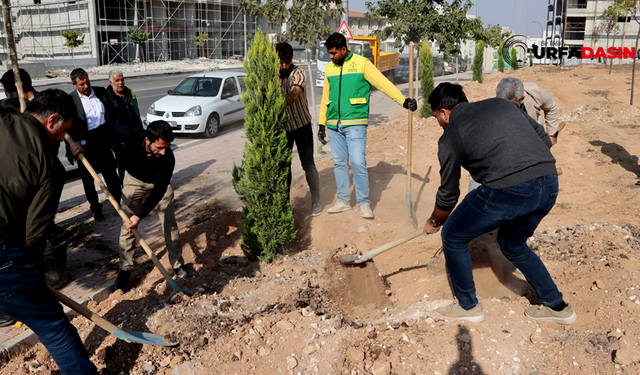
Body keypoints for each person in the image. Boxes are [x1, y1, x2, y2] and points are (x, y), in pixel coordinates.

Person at [423, 82, 576, 325]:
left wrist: (435, 221)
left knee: (453, 234)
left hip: (510, 190)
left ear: (444, 112)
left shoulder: (449, 136)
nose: (439, 124)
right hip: (548, 183)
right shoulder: (501, 104)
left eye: (436, 118)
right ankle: (557, 307)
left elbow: (449, 194)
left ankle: (468, 306)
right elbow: (542, 138)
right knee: (512, 243)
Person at [0, 89, 98, 374]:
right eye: (63, 130)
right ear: (52, 120)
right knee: (53, 325)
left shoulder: (4, 120)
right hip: (4, 252)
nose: (62, 138)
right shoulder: (49, 167)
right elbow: (35, 233)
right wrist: (30, 272)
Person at [319, 32, 417, 219]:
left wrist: (403, 101)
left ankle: (364, 202)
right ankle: (343, 201)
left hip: (355, 121)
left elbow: (383, 84)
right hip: (333, 123)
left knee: (357, 162)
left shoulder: (362, 64)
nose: (331, 57)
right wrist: (322, 123)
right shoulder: (330, 68)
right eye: (329, 54)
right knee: (340, 163)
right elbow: (326, 96)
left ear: (343, 49)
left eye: (333, 53)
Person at [111, 120, 197, 291]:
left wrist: (139, 215)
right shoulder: (132, 135)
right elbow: (105, 128)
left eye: (167, 147)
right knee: (127, 224)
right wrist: (82, 143)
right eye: (160, 148)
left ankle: (178, 265)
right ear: (148, 140)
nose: (164, 152)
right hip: (134, 181)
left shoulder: (168, 158)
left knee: (169, 222)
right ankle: (125, 269)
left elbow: (158, 193)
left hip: (159, 186)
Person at [67, 68, 122, 221]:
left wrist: (113, 140)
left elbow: (110, 118)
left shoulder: (101, 93)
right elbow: (69, 129)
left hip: (104, 143)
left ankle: (118, 204)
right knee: (88, 181)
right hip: (84, 147)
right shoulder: (71, 101)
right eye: (82, 84)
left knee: (111, 176)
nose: (86, 86)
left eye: (87, 81)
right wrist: (72, 150)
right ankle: (96, 208)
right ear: (74, 84)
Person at [276, 42, 322, 216]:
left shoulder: (298, 73)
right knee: (283, 167)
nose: (284, 66)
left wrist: (275, 105)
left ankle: (316, 201)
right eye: (281, 62)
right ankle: (284, 206)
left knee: (308, 165)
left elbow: (294, 94)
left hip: (302, 126)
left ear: (292, 59)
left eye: (287, 62)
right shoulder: (271, 75)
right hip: (283, 129)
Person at [105, 69, 144, 184]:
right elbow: (108, 121)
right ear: (111, 82)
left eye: (122, 79)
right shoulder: (108, 97)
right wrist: (113, 141)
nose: (121, 82)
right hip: (120, 141)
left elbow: (136, 112)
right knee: (123, 168)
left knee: (137, 164)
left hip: (135, 136)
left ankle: (140, 188)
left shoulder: (129, 92)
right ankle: (126, 192)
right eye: (117, 80)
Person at [495, 77, 559, 146]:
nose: (509, 109)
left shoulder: (534, 92)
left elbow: (551, 106)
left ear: (522, 99)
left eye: (512, 105)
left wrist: (552, 134)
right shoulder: (491, 107)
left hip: (536, 138)